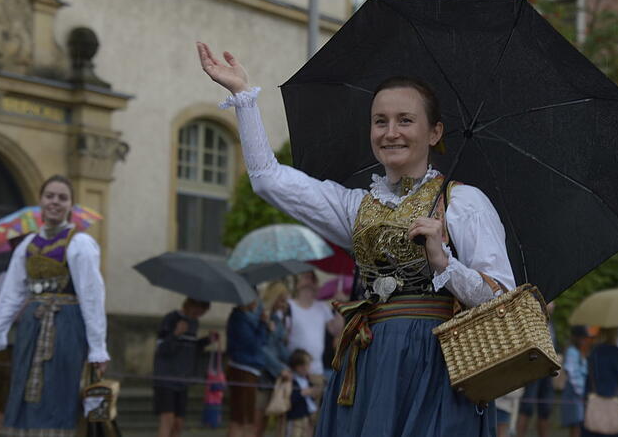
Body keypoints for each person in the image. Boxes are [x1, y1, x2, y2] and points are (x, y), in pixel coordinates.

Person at [197, 42, 515, 436]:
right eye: (379, 121)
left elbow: (502, 299)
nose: (390, 132)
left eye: (405, 120)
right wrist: (244, 98)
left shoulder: (463, 202)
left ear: (434, 132)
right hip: (368, 358)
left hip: (436, 365)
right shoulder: (356, 206)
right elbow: (268, 179)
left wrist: (443, 261)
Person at [0, 175, 110, 436]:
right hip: (32, 327)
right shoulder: (27, 245)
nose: (55, 202)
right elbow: (11, 293)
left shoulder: (80, 244)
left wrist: (98, 348)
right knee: (27, 388)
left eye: (62, 197)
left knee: (59, 387)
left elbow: (92, 297)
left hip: (67, 326)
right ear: (41, 200)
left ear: (71, 204)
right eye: (50, 196)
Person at [153, 297, 214, 437]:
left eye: (202, 312)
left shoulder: (194, 323)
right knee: (167, 419)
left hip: (183, 379)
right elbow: (162, 348)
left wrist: (207, 340)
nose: (198, 314)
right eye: (196, 310)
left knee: (178, 423)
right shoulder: (171, 319)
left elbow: (191, 348)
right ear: (189, 304)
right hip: (166, 378)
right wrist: (175, 334)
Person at [287, 271, 337, 395]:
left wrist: (341, 304)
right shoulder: (289, 306)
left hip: (316, 370)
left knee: (315, 412)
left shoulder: (322, 307)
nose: (309, 281)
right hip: (294, 370)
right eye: (306, 277)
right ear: (298, 284)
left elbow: (335, 330)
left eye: (313, 279)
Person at [226, 299, 269, 437]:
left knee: (246, 417)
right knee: (241, 418)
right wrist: (262, 324)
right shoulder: (239, 318)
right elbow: (253, 344)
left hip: (250, 369)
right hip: (242, 369)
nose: (257, 304)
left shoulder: (247, 318)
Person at [583, 328, 618, 437]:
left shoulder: (594, 351)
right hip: (612, 399)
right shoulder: (615, 351)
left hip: (594, 399)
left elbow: (589, 376)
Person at [256, 281, 292, 437]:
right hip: (260, 375)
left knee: (264, 421)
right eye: (281, 299)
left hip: (272, 376)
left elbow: (279, 348)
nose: (283, 304)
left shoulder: (277, 320)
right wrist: (280, 368)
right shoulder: (261, 317)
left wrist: (293, 363)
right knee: (255, 422)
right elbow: (262, 349)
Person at [517, 302, 558, 437]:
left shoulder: (550, 323)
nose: (553, 305)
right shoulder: (532, 319)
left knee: (545, 408)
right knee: (527, 406)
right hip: (534, 369)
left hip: (548, 370)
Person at [562, 326, 593, 437]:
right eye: (583, 338)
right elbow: (571, 373)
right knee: (576, 424)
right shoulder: (572, 351)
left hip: (579, 393)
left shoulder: (580, 352)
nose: (585, 341)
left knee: (579, 424)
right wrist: (580, 391)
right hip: (574, 393)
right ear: (577, 338)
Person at [286, 349, 319, 437]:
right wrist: (302, 393)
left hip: (309, 417)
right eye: (302, 365)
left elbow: (312, 398)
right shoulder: (292, 381)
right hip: (296, 417)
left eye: (307, 364)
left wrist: (313, 393)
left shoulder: (308, 381)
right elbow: (289, 399)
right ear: (295, 366)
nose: (306, 367)